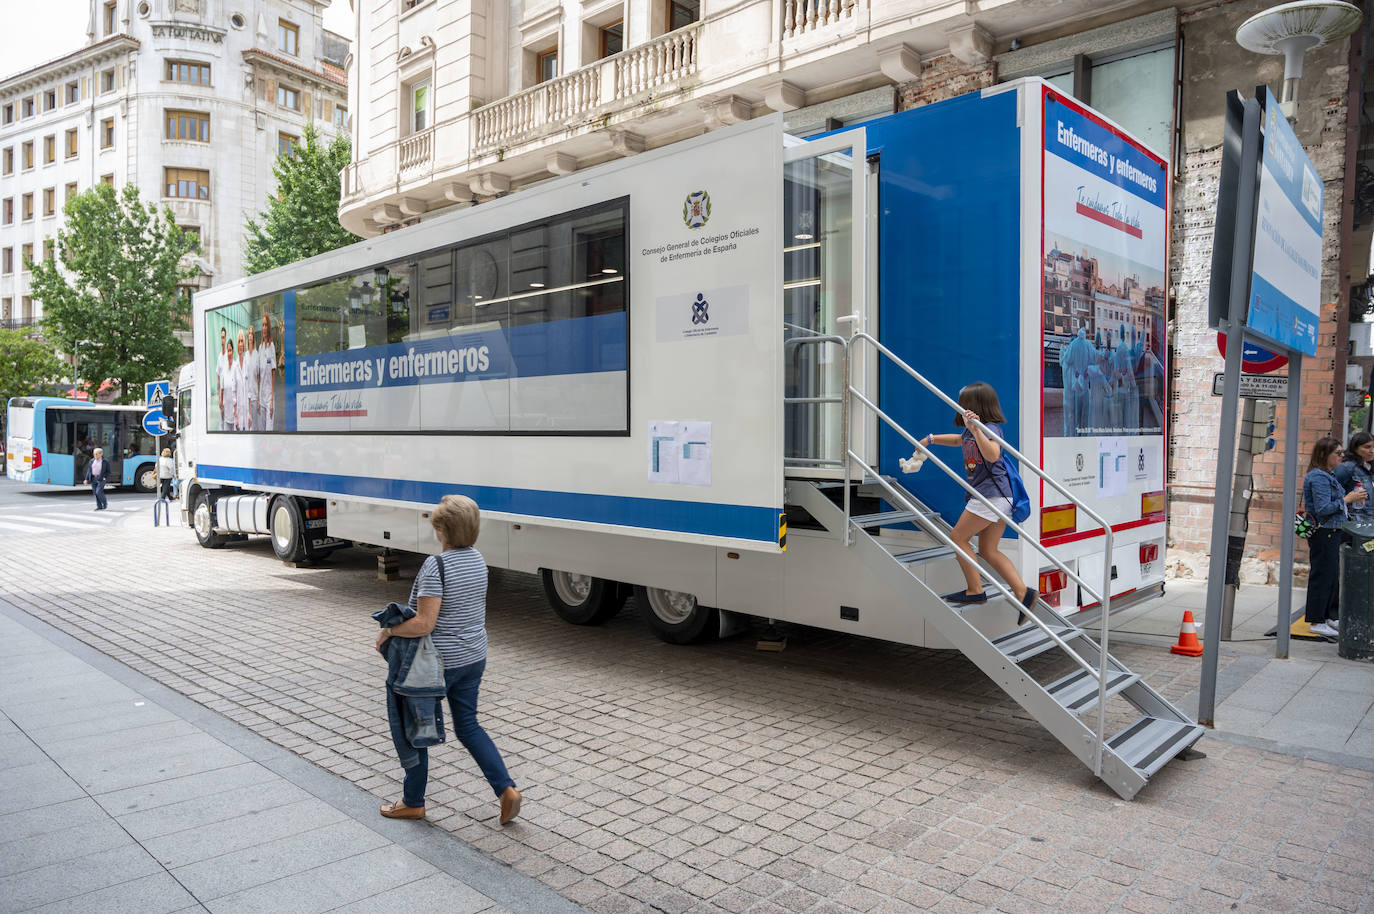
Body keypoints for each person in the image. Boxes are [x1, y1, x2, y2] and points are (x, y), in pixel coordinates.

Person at [375, 494, 521, 824]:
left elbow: (426, 623)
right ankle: (506, 790)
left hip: (435, 665)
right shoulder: (478, 560)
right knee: (468, 726)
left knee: (415, 728)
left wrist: (389, 632)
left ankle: (413, 802)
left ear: (442, 529)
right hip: (473, 657)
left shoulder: (436, 565)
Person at [921, 382, 1038, 611]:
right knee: (987, 550)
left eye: (962, 402)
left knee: (958, 537)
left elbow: (993, 454)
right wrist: (931, 439)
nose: (959, 406)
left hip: (991, 497)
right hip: (998, 498)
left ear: (974, 405)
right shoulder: (970, 429)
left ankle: (975, 590)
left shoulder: (990, 429)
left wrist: (976, 429)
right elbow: (959, 440)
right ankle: (1024, 592)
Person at [1302, 436, 1367, 637]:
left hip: (1333, 530)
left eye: (1342, 452)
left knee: (1331, 575)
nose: (1342, 456)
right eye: (1337, 453)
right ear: (1323, 454)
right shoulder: (1318, 477)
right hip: (1324, 531)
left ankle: (1329, 617)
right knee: (1322, 575)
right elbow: (1323, 508)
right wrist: (1348, 499)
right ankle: (1316, 620)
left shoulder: (1327, 475)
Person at [1333, 431, 1374, 523]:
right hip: (1354, 522)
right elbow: (1332, 495)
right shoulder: (1346, 468)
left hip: (1370, 522)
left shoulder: (1369, 467)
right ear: (1355, 448)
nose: (1372, 451)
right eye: (1367, 447)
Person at [258, 313, 277, 431]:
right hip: (262, 396)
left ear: (269, 328)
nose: (264, 327)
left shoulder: (271, 346)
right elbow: (259, 375)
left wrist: (271, 401)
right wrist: (259, 399)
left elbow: (273, 374)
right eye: (263, 325)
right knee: (263, 431)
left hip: (269, 396)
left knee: (269, 430)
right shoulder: (260, 348)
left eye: (266, 325)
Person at [244, 323, 260, 431]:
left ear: (253, 337)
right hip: (246, 397)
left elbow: (259, 378)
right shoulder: (245, 355)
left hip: (254, 396)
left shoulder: (256, 354)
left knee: (255, 426)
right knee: (247, 426)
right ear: (247, 337)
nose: (250, 336)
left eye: (252, 334)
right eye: (249, 333)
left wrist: (259, 398)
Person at [83, 447, 110, 511]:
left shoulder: (105, 461)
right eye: (94, 454)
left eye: (96, 454)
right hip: (93, 478)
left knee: (98, 492)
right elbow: (89, 470)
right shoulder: (91, 461)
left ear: (101, 454)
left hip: (101, 478)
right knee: (95, 493)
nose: (95, 455)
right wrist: (86, 479)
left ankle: (105, 503)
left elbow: (108, 471)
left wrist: (104, 477)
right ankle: (99, 506)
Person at [222, 338, 238, 432]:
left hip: (235, 410)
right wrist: (221, 401)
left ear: (233, 351)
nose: (229, 353)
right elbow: (222, 388)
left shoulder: (236, 367)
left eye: (230, 350)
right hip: (226, 408)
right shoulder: (224, 368)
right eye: (228, 351)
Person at [216, 326, 229, 429]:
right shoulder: (220, 357)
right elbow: (218, 379)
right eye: (221, 337)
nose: (222, 340)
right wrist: (219, 397)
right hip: (222, 394)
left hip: (229, 393)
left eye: (224, 337)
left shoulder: (229, 355)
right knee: (222, 419)